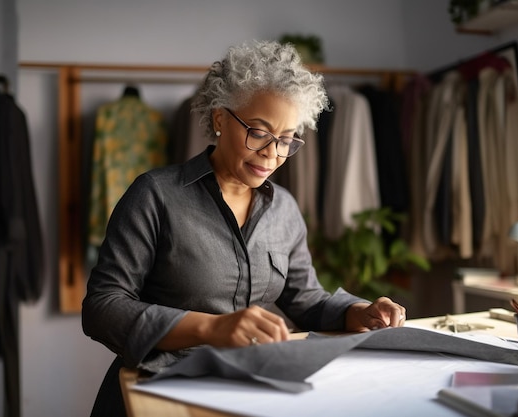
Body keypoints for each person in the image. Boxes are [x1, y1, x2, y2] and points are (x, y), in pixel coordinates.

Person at [81, 40, 407, 416]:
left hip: (243, 392)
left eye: (286, 140)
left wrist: (359, 310)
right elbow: (102, 307)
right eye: (258, 131)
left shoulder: (283, 208)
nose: (272, 153)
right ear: (220, 118)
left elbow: (305, 298)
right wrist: (211, 329)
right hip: (157, 393)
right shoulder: (155, 195)